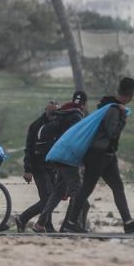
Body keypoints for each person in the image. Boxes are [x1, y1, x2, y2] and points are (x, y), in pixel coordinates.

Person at [61, 78, 134, 234]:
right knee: (86, 188)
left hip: (107, 155)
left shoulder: (112, 106)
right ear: (129, 95)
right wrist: (123, 118)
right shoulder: (113, 109)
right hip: (97, 155)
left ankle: (128, 223)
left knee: (117, 187)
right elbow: (112, 132)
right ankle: (70, 222)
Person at [18, 92, 87, 233]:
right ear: (46, 111)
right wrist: (28, 169)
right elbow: (29, 148)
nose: (54, 114)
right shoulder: (37, 125)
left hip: (54, 165)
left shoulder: (60, 121)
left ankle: (39, 223)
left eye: (56, 111)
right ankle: (44, 223)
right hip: (40, 166)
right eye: (51, 112)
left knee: (54, 194)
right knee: (51, 195)